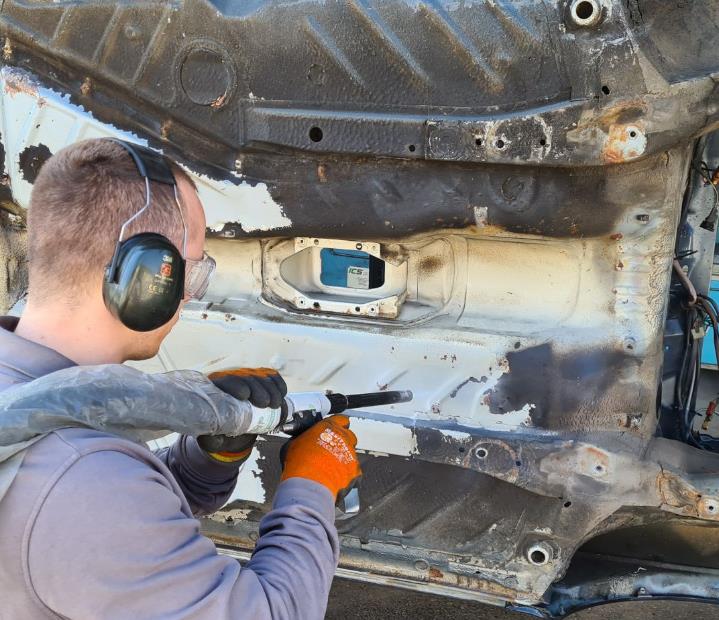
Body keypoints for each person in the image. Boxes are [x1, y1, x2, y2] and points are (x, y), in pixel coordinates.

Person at [0, 138, 361, 619]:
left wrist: (208, 456)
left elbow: (112, 524)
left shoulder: (31, 405)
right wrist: (311, 487)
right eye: (193, 272)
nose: (190, 296)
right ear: (148, 277)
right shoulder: (81, 477)